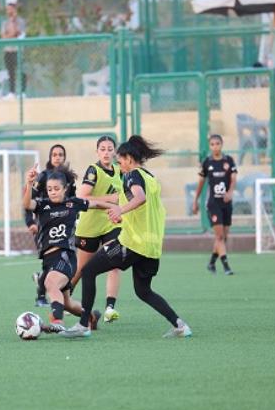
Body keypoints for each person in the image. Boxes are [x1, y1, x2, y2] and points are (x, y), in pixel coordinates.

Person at [61, 135, 193, 339]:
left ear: (129, 158)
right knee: (143, 291)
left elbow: (139, 198)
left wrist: (121, 211)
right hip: (151, 247)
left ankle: (83, 324)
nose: (118, 163)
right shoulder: (151, 177)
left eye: (120, 159)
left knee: (88, 271)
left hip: (131, 243)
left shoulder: (132, 175)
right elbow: (137, 202)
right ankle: (180, 325)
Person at [23, 163, 106, 329]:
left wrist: (118, 208)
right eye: (49, 189)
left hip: (65, 256)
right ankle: (91, 317)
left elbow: (95, 204)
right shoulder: (42, 205)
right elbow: (26, 205)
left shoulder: (72, 203)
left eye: (56, 188)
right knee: (66, 302)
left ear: (65, 188)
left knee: (51, 284)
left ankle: (57, 322)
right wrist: (29, 184)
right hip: (48, 260)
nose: (53, 192)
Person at [71, 135, 124, 323]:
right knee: (81, 268)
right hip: (89, 226)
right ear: (97, 152)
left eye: (110, 149)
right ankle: (63, 301)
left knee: (115, 261)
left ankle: (110, 308)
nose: (106, 152)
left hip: (112, 224)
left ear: (115, 152)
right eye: (102, 149)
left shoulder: (119, 171)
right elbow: (83, 196)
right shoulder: (93, 170)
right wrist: (110, 200)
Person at [25, 144, 75, 307]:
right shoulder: (43, 176)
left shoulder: (69, 179)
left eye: (61, 154)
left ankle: (60, 297)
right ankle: (41, 297)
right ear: (50, 157)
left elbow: (74, 200)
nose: (57, 157)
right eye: (54, 154)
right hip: (45, 223)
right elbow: (29, 199)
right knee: (49, 259)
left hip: (65, 222)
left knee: (62, 260)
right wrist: (31, 222)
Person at [192, 134, 238, 275]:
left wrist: (230, 192)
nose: (215, 146)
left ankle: (212, 263)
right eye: (212, 144)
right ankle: (226, 266)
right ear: (210, 146)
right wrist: (195, 201)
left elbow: (233, 179)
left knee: (224, 237)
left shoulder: (229, 161)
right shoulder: (207, 162)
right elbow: (200, 183)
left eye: (217, 143)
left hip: (226, 204)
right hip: (213, 204)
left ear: (222, 144)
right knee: (219, 237)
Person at [0, 2, 27, 99]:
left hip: (18, 50)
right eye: (7, 9)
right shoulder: (4, 23)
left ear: (15, 10)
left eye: (10, 9)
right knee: (10, 72)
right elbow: (3, 37)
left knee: (22, 71)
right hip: (8, 50)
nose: (8, 11)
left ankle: (23, 93)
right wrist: (11, 35)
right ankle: (12, 92)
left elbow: (19, 33)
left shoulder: (21, 22)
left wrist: (13, 24)